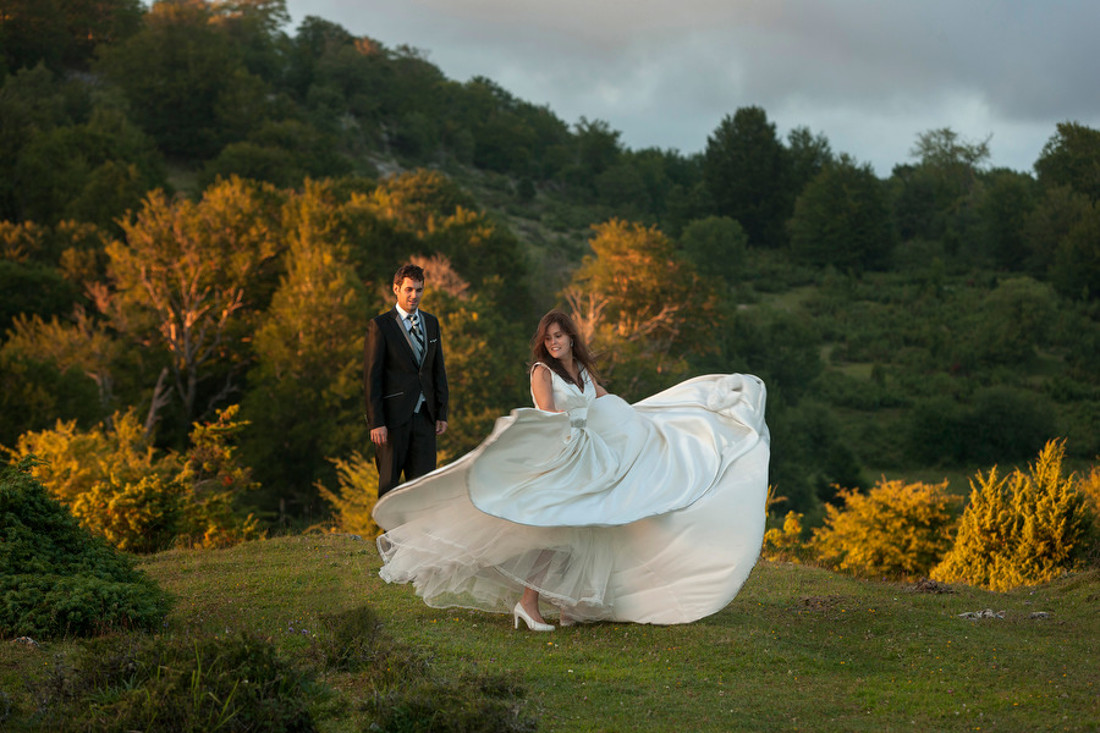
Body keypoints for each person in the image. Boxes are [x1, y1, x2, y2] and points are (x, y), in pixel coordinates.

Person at [373, 309, 770, 630]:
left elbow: (608, 401)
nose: (555, 342)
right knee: (559, 528)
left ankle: (567, 607)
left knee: (586, 527)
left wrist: (648, 424)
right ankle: (529, 605)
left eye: (560, 336)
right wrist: (579, 422)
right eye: (549, 338)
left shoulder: (580, 369)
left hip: (592, 453)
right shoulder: (541, 372)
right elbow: (548, 413)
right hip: (565, 453)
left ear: (571, 338)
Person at [363, 264, 448, 498]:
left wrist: (441, 412)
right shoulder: (380, 326)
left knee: (424, 486)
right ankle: (389, 535)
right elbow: (372, 377)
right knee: (389, 485)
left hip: (425, 417)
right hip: (391, 421)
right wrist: (376, 422)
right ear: (396, 289)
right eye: (409, 289)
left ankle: (418, 535)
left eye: (419, 290)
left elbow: (437, 369)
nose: (414, 295)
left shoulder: (431, 323)